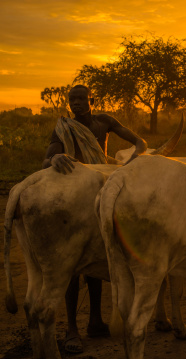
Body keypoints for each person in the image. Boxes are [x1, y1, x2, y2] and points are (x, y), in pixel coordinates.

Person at [42, 84, 147, 353]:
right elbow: (47, 159)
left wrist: (137, 154)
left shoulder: (104, 122)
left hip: (102, 192)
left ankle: (96, 321)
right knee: (73, 265)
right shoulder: (64, 127)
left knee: (99, 258)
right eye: (72, 100)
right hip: (73, 198)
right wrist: (56, 158)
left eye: (80, 99)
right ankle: (71, 330)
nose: (75, 103)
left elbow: (139, 141)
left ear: (91, 100)